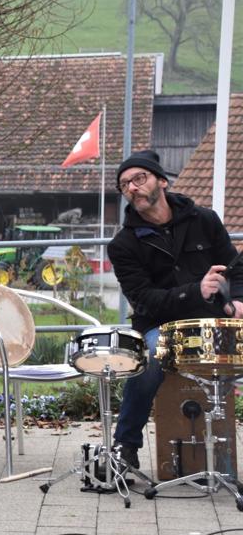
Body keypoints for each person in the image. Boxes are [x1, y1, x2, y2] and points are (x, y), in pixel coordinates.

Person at [107, 149, 243, 469]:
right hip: (161, 325)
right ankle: (126, 446)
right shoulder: (123, 245)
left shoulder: (205, 220)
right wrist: (195, 291)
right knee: (150, 356)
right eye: (125, 184)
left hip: (215, 319)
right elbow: (143, 299)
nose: (132, 188)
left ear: (162, 182)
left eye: (139, 178)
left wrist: (238, 300)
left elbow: (237, 269)